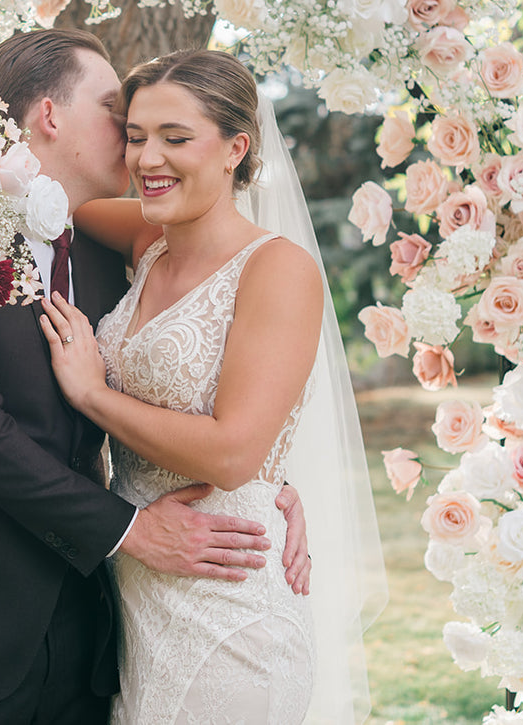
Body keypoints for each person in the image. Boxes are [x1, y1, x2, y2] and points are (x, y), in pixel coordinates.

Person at [0, 29, 311, 725]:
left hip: (84, 632)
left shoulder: (107, 250)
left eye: (164, 134)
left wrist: (262, 484)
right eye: (119, 117)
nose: (136, 147)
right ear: (49, 114)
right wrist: (131, 529)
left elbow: (195, 372)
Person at [39, 49, 388, 724]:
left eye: (176, 138)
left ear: (236, 148)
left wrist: (92, 393)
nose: (148, 159)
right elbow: (51, 203)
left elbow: (233, 454)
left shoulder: (277, 269)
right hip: (138, 599)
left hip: (230, 606)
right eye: (136, 136)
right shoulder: (147, 241)